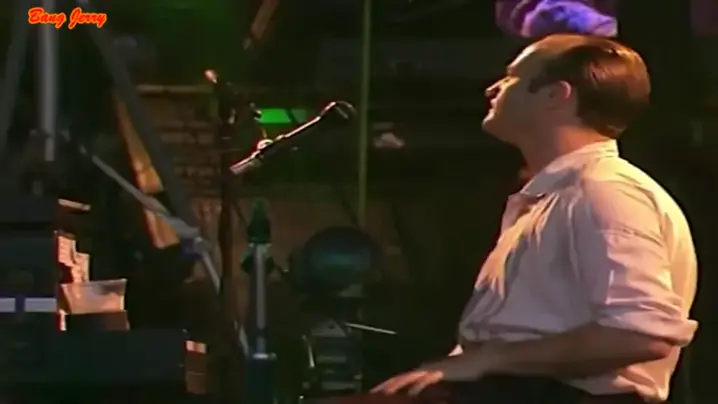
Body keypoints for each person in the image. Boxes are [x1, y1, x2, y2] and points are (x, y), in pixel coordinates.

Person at [371, 34, 698, 403]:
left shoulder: (605, 191)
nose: (493, 88)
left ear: (555, 95)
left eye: (512, 77)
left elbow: (640, 333)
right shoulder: (562, 194)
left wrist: (487, 360)